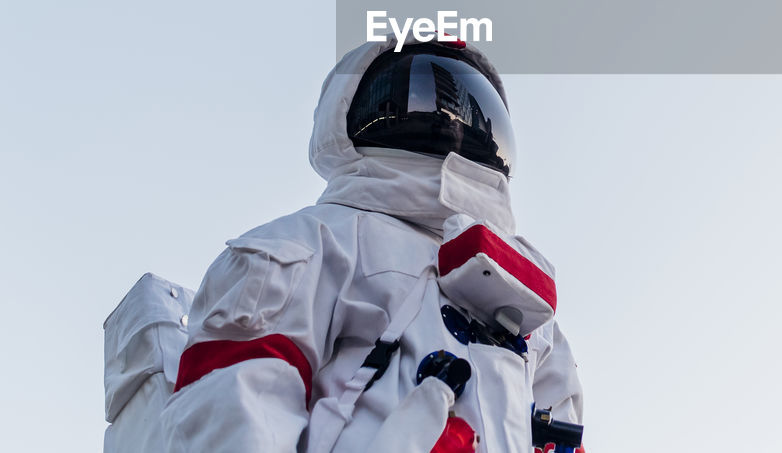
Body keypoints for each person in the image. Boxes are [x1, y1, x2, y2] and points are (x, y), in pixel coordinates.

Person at [159, 36, 585, 452]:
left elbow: (562, 430)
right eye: (419, 96)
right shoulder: (320, 239)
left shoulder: (533, 310)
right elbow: (238, 398)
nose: (446, 120)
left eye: (456, 105)